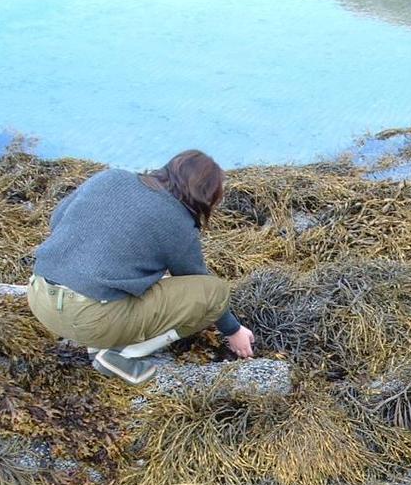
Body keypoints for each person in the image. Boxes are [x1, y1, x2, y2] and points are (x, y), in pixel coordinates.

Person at [27, 150, 254, 384]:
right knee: (215, 291)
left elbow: (57, 219)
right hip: (91, 320)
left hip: (39, 295)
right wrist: (233, 330)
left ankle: (100, 335)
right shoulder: (177, 222)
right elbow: (201, 285)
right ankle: (120, 352)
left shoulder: (111, 177)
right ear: (203, 196)